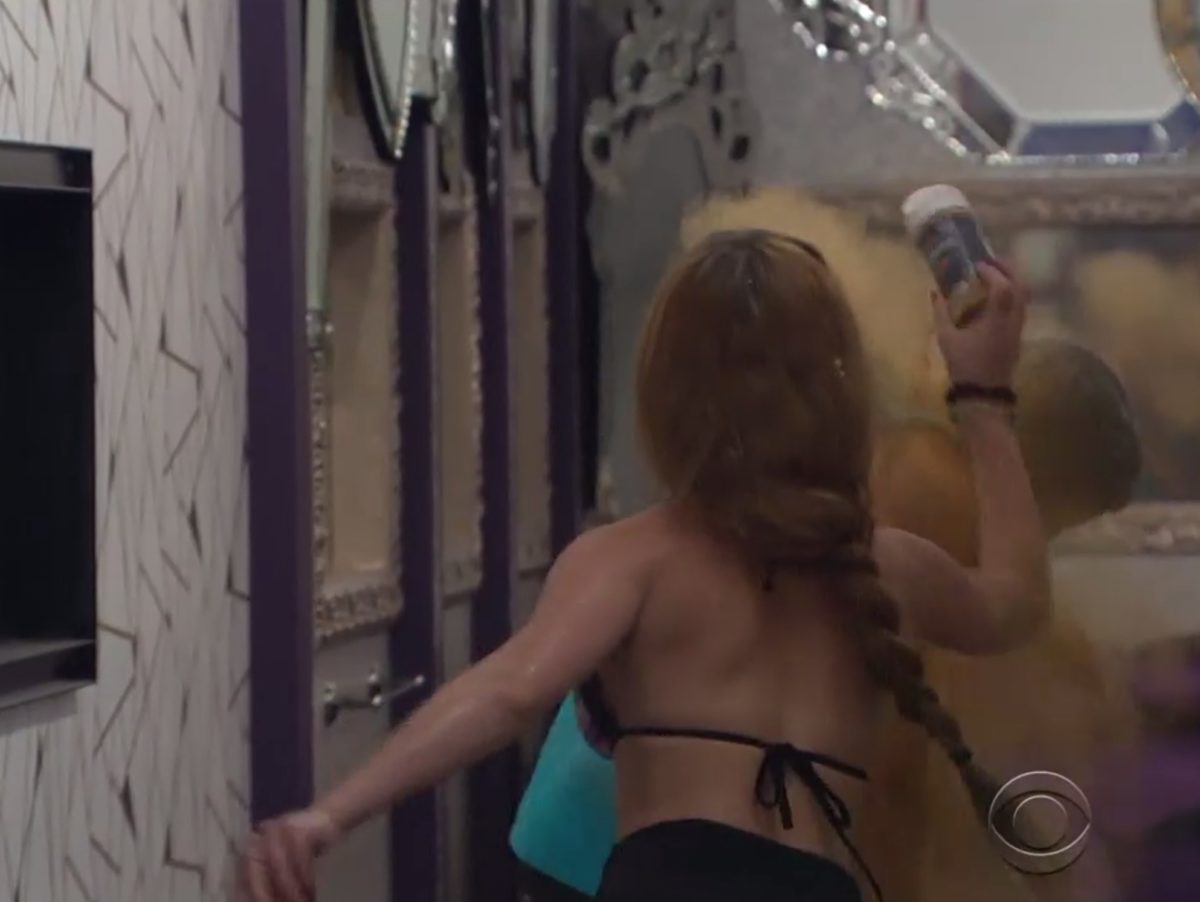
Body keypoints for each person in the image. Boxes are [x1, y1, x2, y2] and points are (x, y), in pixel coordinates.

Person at [236, 231, 1049, 902]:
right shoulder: (890, 567)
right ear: (838, 387)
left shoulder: (634, 559)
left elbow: (509, 691)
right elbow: (1015, 603)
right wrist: (984, 397)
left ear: (668, 392)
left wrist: (331, 815)